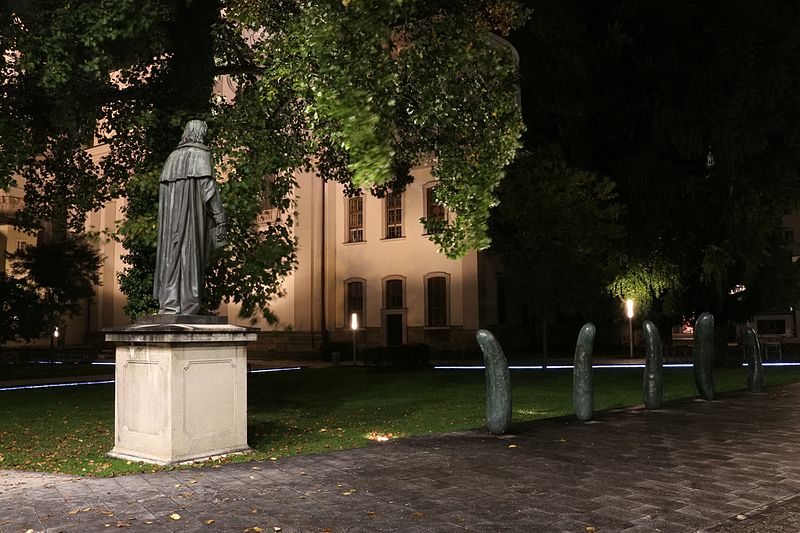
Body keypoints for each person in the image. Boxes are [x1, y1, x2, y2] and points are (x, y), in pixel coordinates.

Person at [153, 120, 226, 315]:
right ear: (200, 133)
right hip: (192, 218)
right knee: (190, 256)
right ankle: (189, 305)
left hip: (171, 223)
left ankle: (170, 304)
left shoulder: (172, 158)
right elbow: (209, 190)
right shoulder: (201, 155)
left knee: (173, 255)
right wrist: (220, 217)